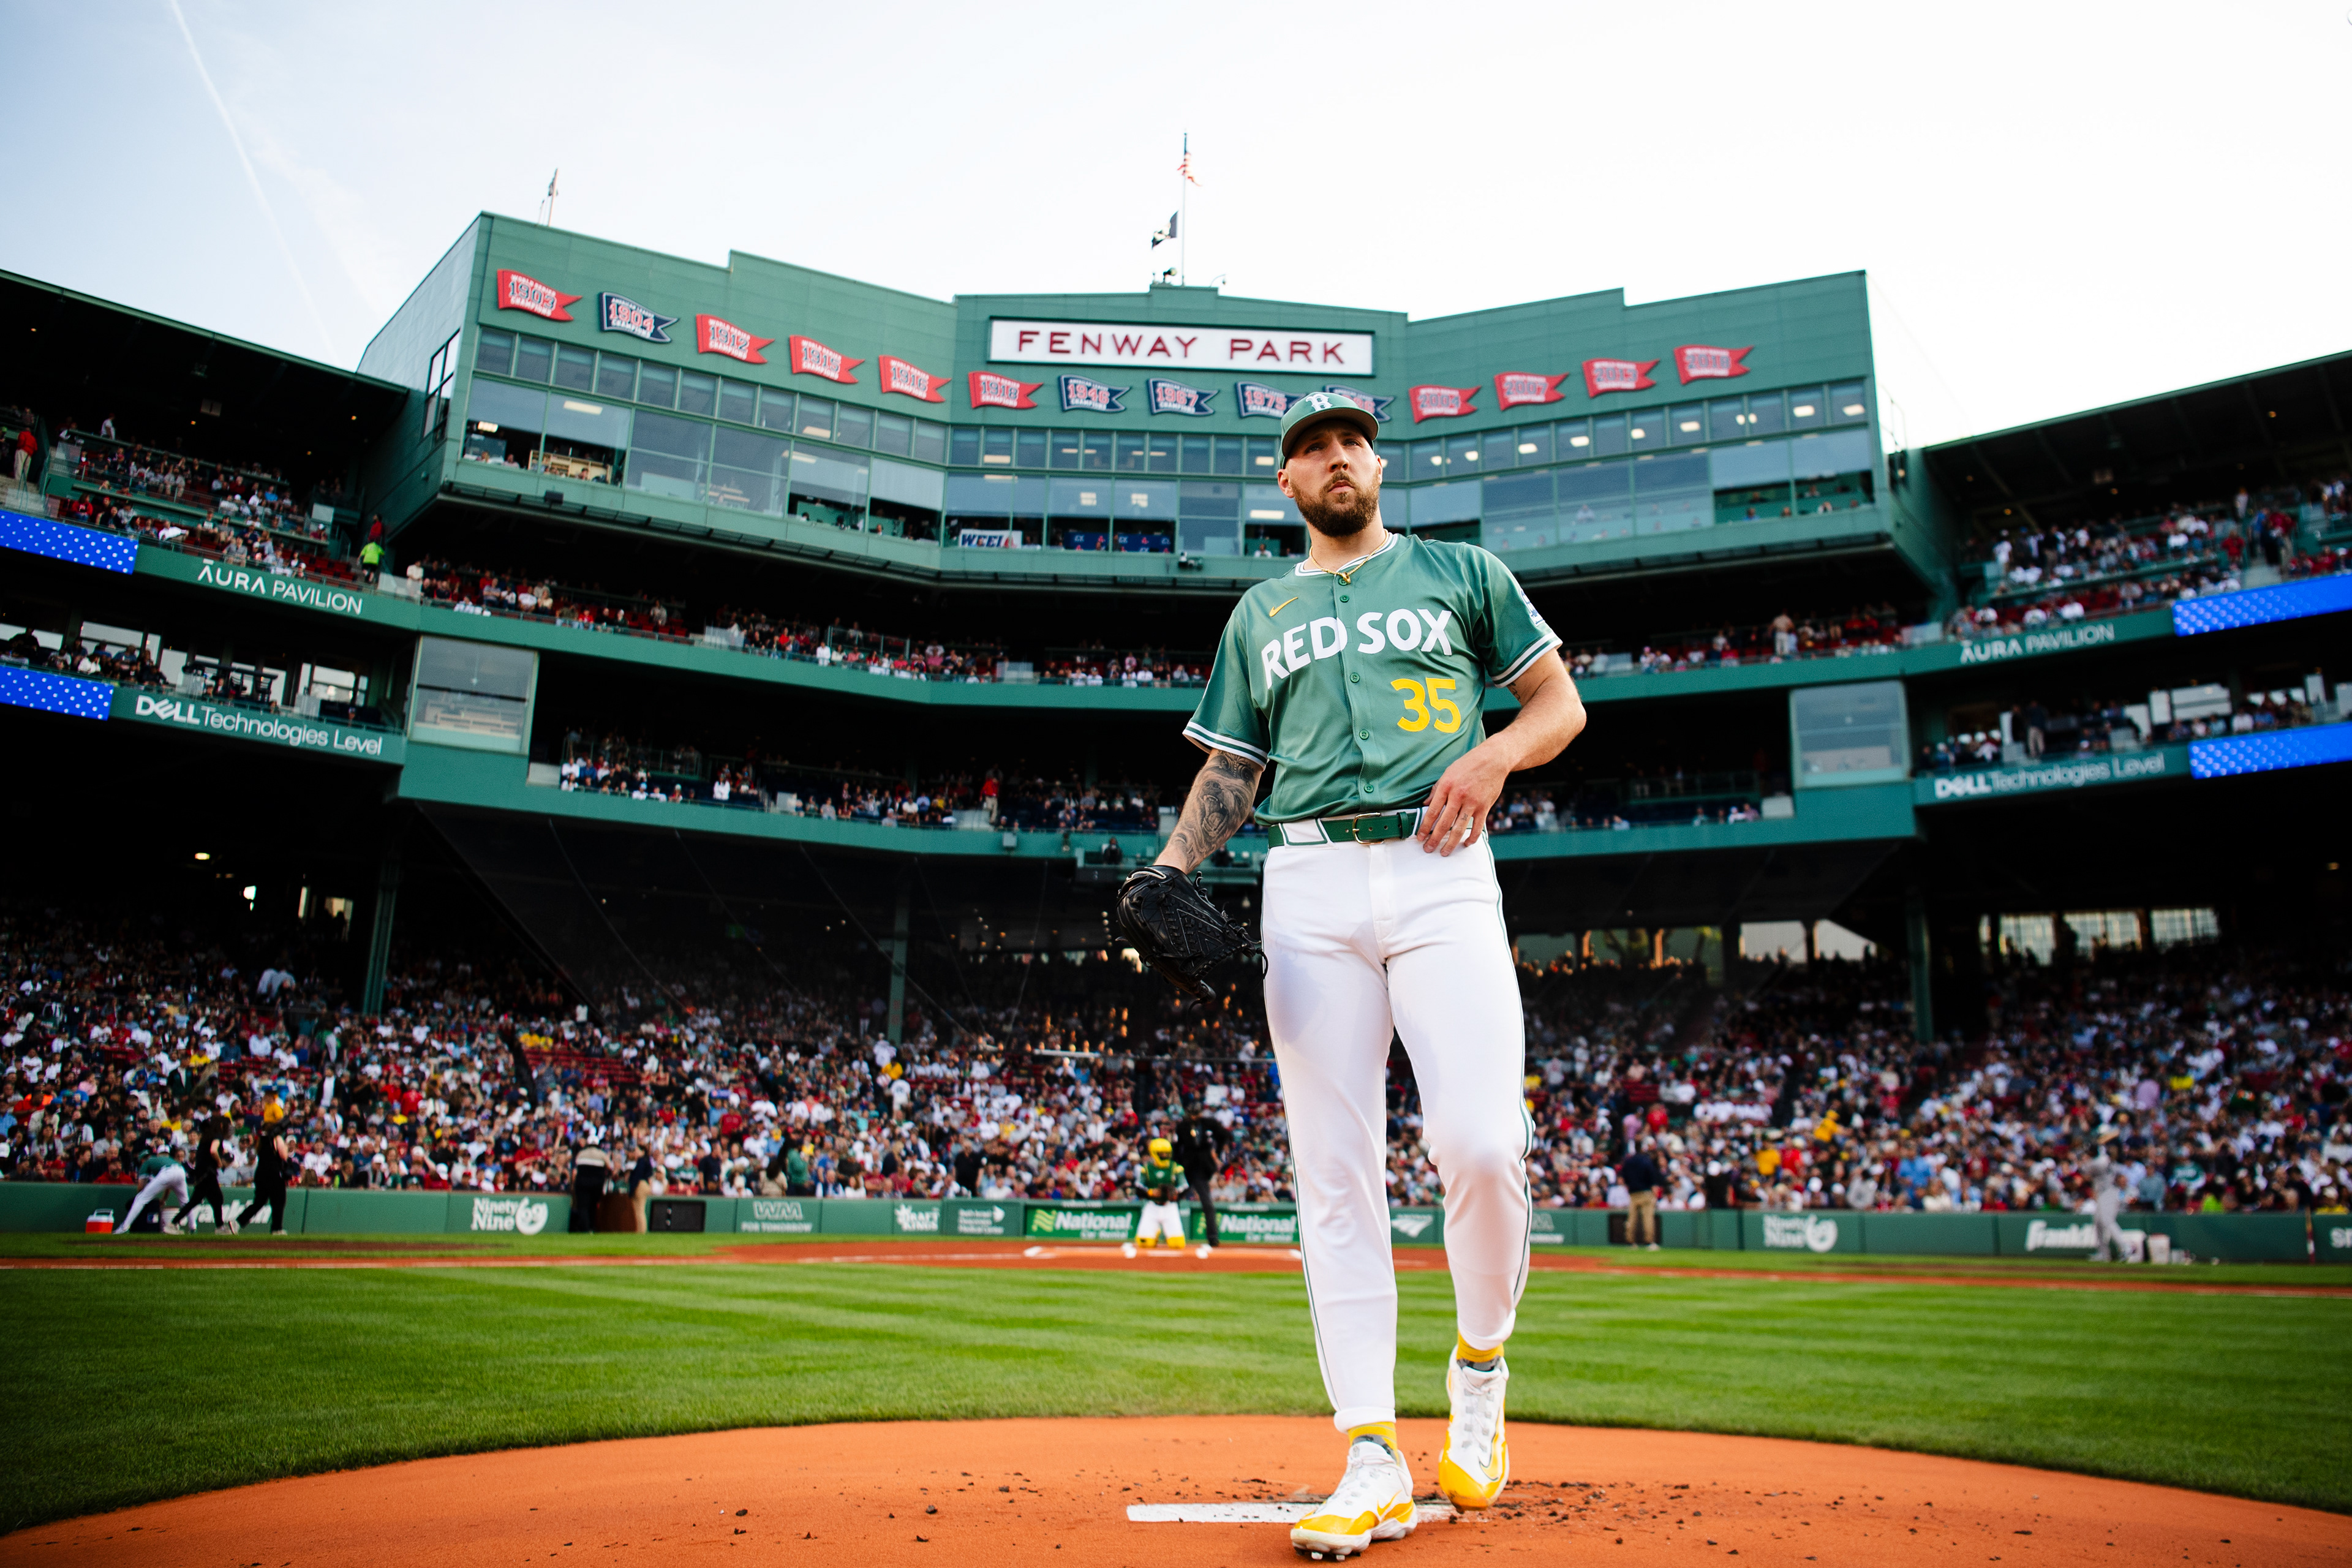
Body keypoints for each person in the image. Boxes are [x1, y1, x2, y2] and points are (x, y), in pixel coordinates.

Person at [1152, 390, 1585, 1556]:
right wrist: (1170, 863)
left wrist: (1494, 756)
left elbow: (1559, 701)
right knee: (1332, 1175)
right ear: (1284, 483)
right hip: (1306, 887)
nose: (1334, 457)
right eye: (1309, 449)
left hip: (1444, 869)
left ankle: (1480, 1366)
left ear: (1377, 465)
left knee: (1484, 1143)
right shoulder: (1261, 610)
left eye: (1349, 440)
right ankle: (1369, 1455)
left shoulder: (1462, 574)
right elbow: (1234, 769)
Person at [1173, 1106, 1234, 1253]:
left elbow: (1225, 1136)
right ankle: (1170, 1233)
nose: (1194, 1117)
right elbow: (1177, 1147)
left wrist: (1217, 1151)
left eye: (1196, 1114)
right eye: (1191, 1114)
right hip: (1186, 1166)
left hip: (1202, 1167)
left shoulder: (1209, 1123)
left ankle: (1213, 1237)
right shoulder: (1182, 1126)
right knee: (1174, 1200)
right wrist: (1177, 1166)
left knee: (1207, 1203)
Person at [117, 1133, 191, 1235]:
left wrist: (147, 1195)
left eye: (146, 1157)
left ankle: (125, 1227)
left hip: (168, 1172)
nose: (146, 1159)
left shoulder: (147, 1163)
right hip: (180, 1170)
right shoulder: (161, 1160)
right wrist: (163, 1199)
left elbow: (140, 1188)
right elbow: (168, 1186)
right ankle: (193, 1228)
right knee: (185, 1202)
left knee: (141, 1198)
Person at [1125, 1136, 1187, 1257]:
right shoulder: (1147, 1169)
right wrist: (1151, 1193)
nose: (1165, 1156)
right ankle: (1155, 1232)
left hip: (1170, 1207)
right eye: (1162, 1154)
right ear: (1154, 1154)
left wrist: (1175, 1193)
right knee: (1145, 1243)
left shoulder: (1176, 1168)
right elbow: (1138, 1188)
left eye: (1167, 1154)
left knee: (1177, 1244)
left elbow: (1184, 1187)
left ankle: (1162, 1232)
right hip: (1152, 1206)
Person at [233, 1117, 294, 1235]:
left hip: (260, 1174)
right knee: (279, 1201)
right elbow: (284, 1155)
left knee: (259, 1202)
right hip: (274, 1174)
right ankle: (277, 1228)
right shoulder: (277, 1139)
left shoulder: (261, 1140)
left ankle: (238, 1222)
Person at [183, 1116, 238, 1235]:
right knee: (214, 1199)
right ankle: (220, 1228)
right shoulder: (217, 1136)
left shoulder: (207, 1137)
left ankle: (220, 1227)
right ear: (222, 1126)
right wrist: (219, 1162)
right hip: (208, 1173)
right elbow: (214, 1150)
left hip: (203, 1173)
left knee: (211, 1200)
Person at [1621, 1139, 1663, 1250]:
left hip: (1633, 1193)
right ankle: (1649, 1242)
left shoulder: (1629, 1161)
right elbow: (1652, 1177)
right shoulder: (1646, 1161)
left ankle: (1630, 1242)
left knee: (1632, 1219)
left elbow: (1623, 1176)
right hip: (1646, 1192)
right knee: (1648, 1219)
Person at [570, 1137, 609, 1232]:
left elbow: (575, 1169)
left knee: (583, 1207)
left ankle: (585, 1229)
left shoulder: (582, 1154)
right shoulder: (602, 1154)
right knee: (593, 1206)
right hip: (597, 1185)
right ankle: (591, 1227)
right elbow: (609, 1167)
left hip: (582, 1185)